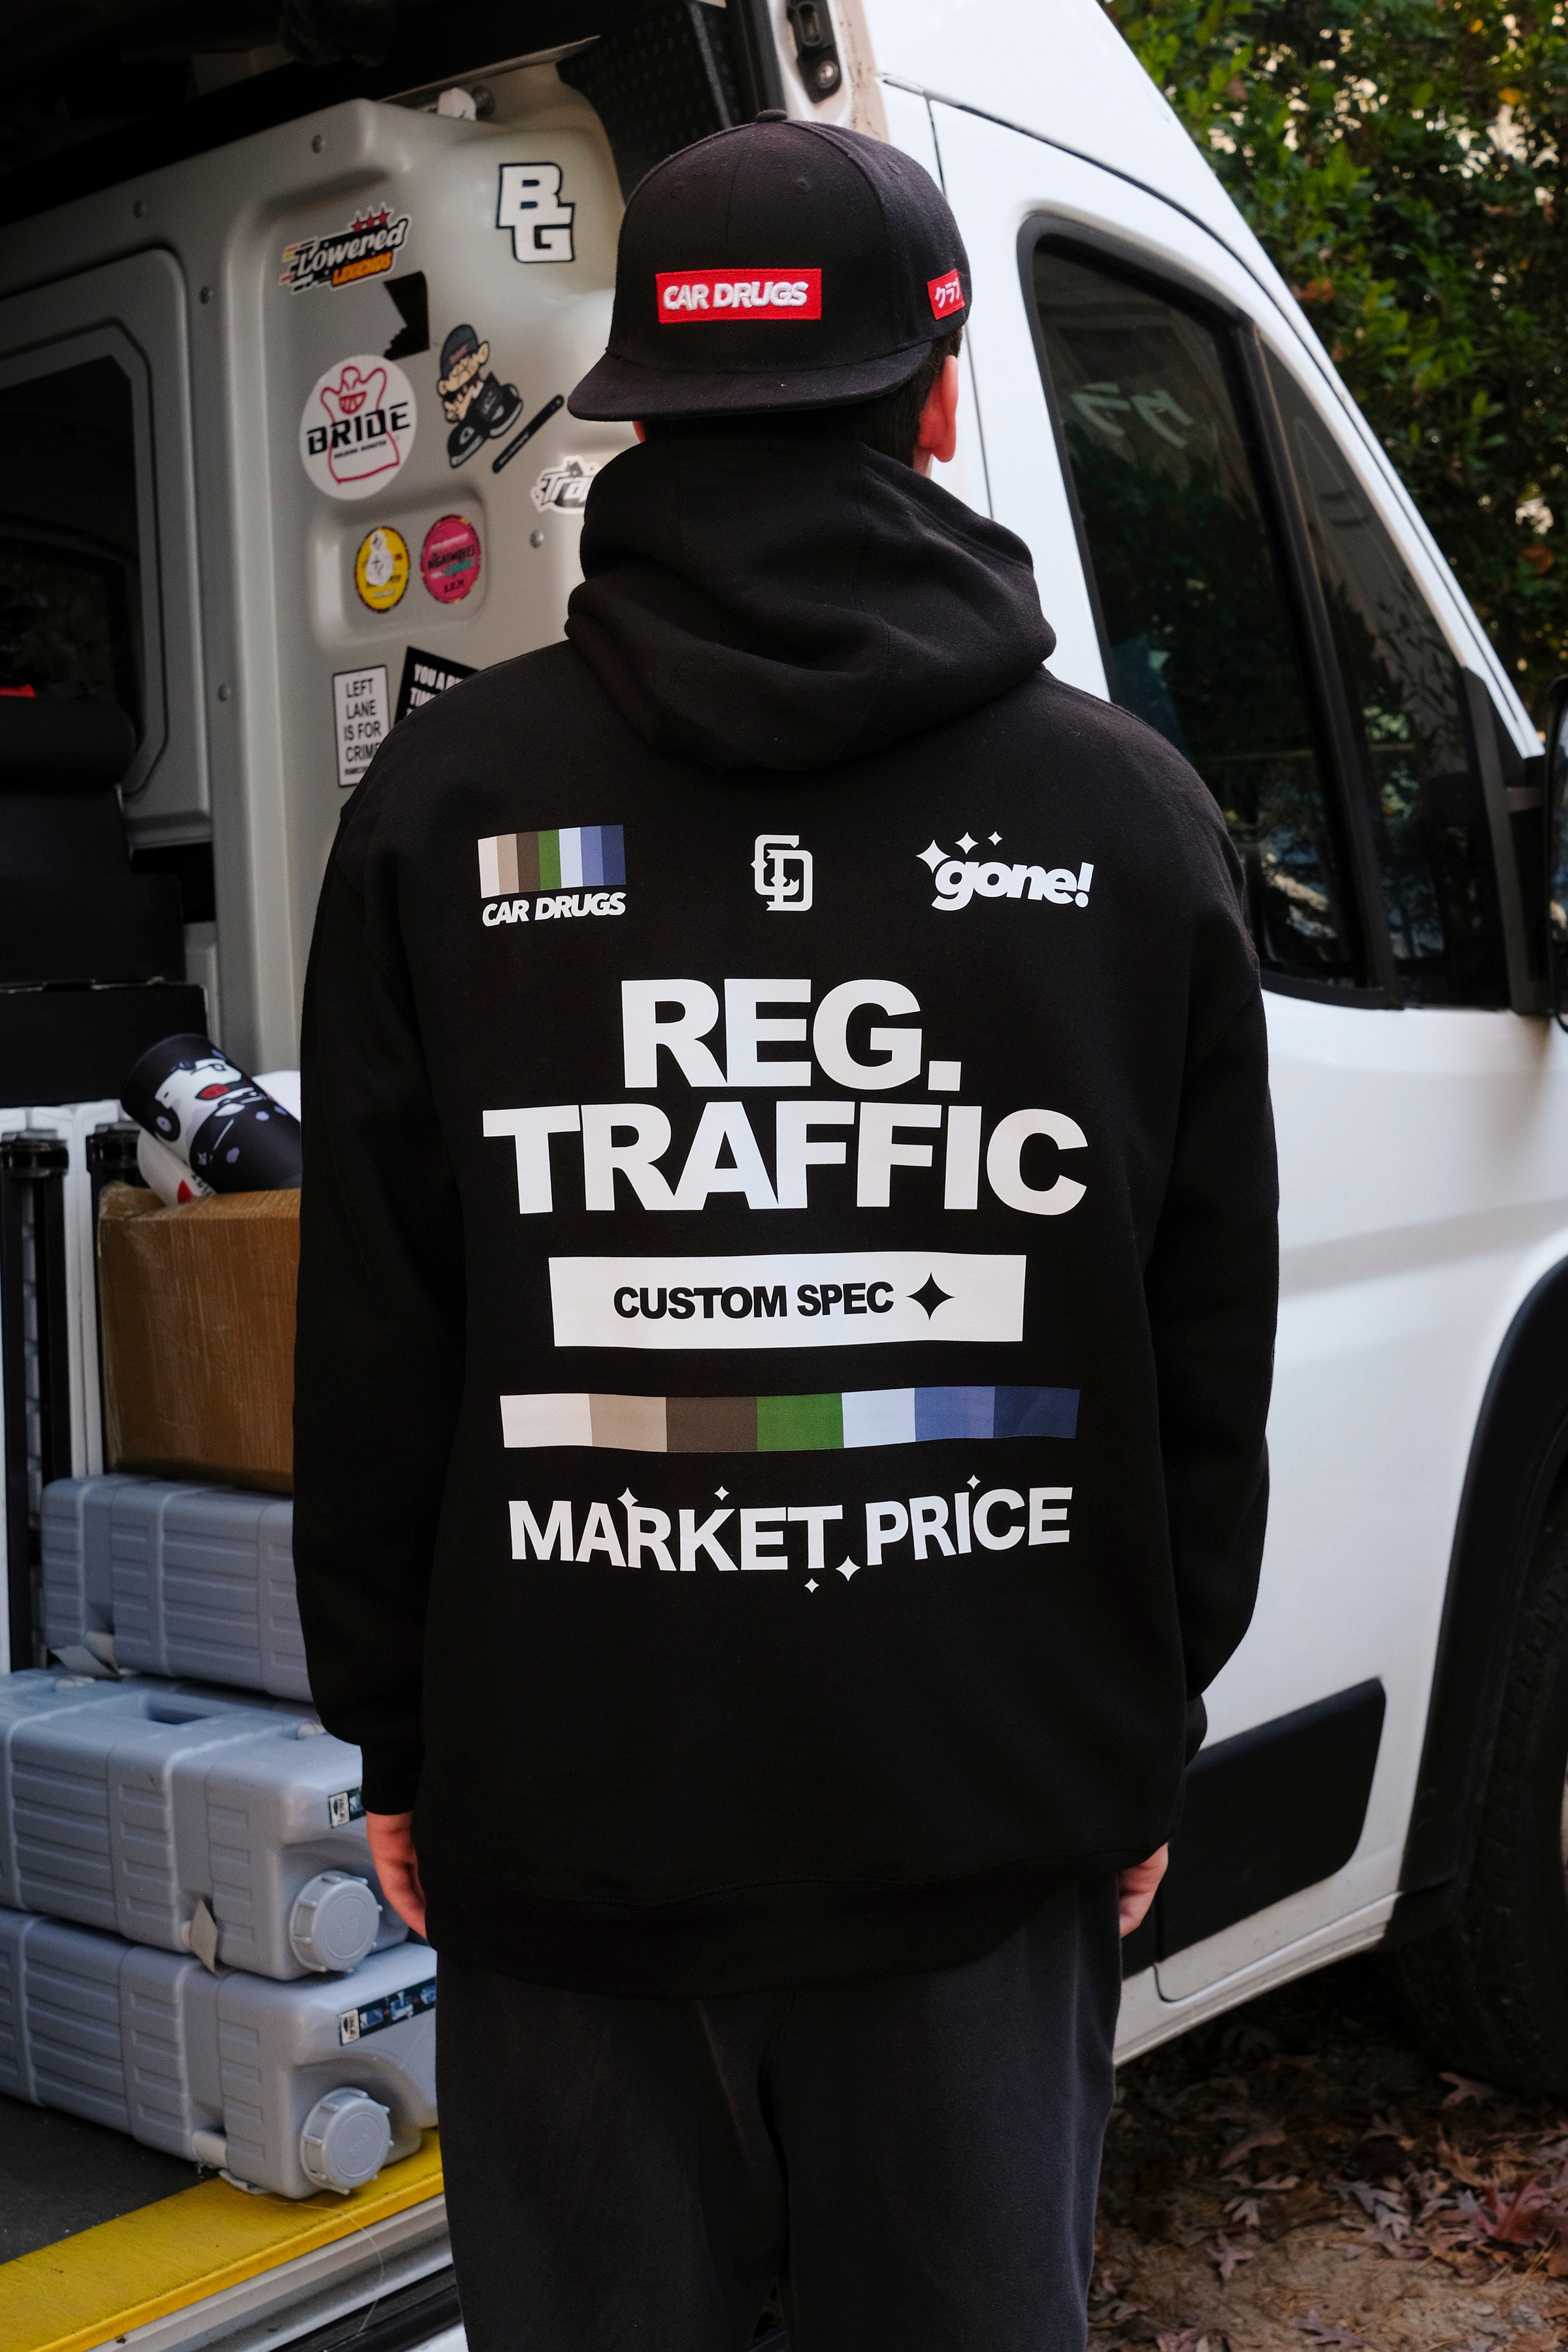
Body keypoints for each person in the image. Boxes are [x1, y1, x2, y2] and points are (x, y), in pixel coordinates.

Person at [294, 112, 1277, 2352]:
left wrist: (400, 1737)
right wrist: (1143, 1728)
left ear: (638, 412)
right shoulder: (1128, 816)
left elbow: (377, 1333)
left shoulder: (447, 805)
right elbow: (1196, 1343)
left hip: (570, 1830)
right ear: (935, 401)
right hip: (983, 1826)